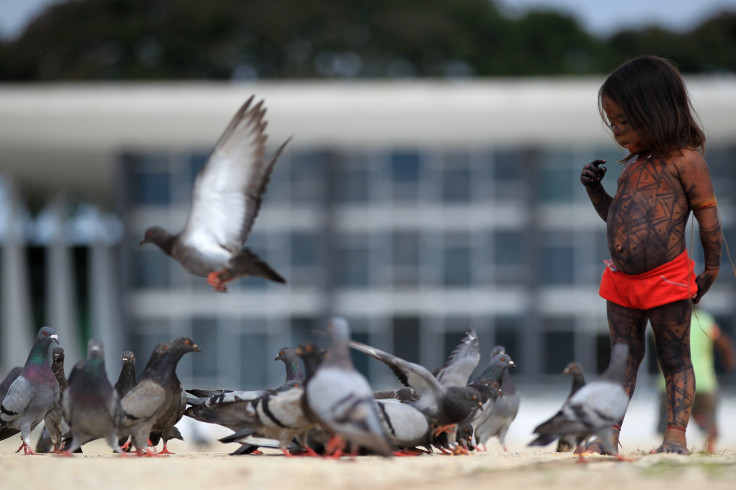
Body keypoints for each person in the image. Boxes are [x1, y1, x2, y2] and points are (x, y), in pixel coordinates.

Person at [579, 55, 722, 455]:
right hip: (622, 281)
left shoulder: (686, 161)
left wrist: (711, 268)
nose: (618, 132)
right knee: (621, 360)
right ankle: (607, 435)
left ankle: (675, 436)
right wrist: (596, 192)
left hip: (668, 277)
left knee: (674, 358)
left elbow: (709, 221)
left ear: (655, 110)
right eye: (613, 123)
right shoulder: (631, 168)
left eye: (624, 121)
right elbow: (619, 221)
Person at [656, 308, 735, 453]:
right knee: (706, 416)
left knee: (668, 422)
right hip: (703, 381)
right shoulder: (704, 320)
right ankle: (709, 445)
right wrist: (729, 362)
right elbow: (723, 342)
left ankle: (669, 445)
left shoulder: (665, 319)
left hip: (671, 383)